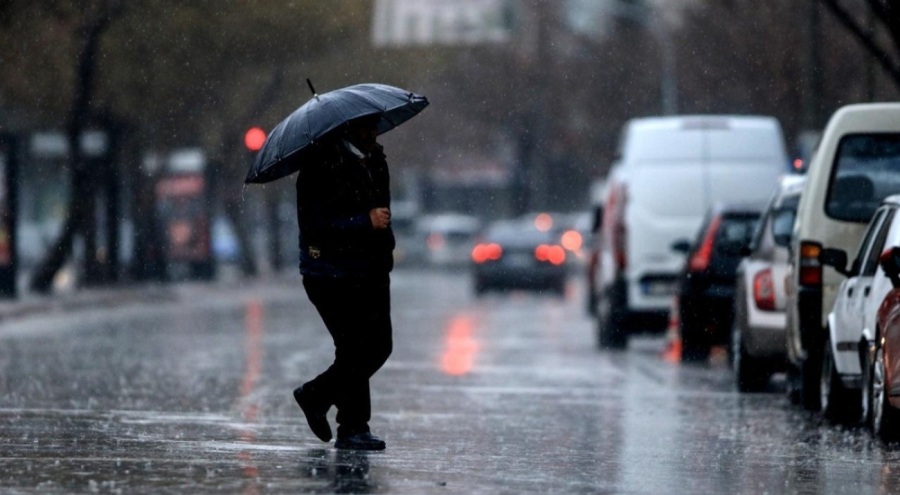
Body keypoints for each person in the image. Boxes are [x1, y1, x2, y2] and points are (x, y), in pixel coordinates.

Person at [292, 114, 394, 451]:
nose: (373, 133)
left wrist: (383, 247)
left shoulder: (375, 159)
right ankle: (351, 426)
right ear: (347, 128)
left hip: (371, 270)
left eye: (375, 126)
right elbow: (315, 226)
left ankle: (319, 399)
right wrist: (362, 222)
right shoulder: (320, 166)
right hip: (330, 273)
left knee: (378, 346)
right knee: (355, 348)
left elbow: (383, 210)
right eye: (366, 127)